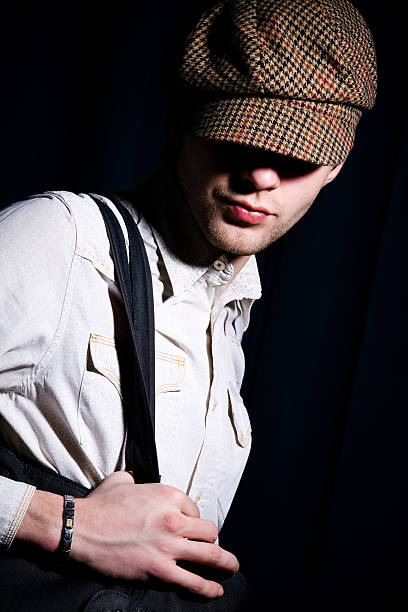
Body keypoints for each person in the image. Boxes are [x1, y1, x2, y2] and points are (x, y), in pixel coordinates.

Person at [0, 0, 376, 610]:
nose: (261, 176)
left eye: (297, 154)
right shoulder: (61, 240)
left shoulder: (230, 308)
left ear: (338, 162)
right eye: (238, 138)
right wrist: (63, 525)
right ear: (180, 122)